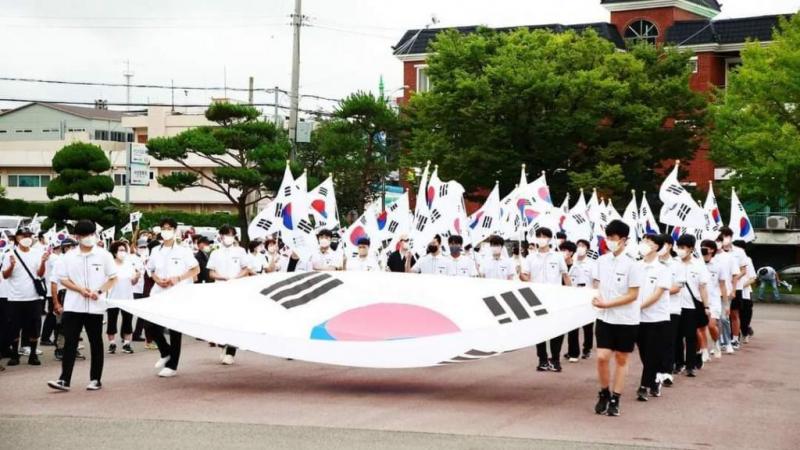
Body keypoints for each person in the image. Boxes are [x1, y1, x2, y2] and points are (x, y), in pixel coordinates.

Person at [47, 220, 117, 391]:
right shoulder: (68, 257)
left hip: (95, 306)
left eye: (91, 234)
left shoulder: (104, 255)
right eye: (85, 235)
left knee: (95, 342)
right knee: (70, 342)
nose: (88, 238)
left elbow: (113, 278)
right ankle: (64, 379)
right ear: (77, 237)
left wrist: (99, 291)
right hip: (73, 305)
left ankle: (95, 379)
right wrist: (80, 290)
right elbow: (63, 279)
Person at [591, 220, 642, 417]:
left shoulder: (633, 264)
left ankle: (616, 398)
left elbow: (633, 295)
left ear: (623, 240)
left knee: (621, 358)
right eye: (608, 237)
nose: (609, 241)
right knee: (602, 357)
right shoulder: (602, 261)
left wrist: (608, 304)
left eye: (613, 238)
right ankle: (604, 392)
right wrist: (595, 298)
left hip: (626, 319)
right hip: (604, 318)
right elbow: (596, 285)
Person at [146, 218, 200, 377]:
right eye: (163, 228)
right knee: (150, 325)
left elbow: (195, 269)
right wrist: (157, 280)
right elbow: (150, 270)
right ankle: (165, 351)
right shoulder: (155, 250)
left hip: (177, 294)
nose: (166, 231)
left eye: (169, 228)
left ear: (175, 231)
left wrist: (178, 278)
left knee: (174, 329)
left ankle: (172, 365)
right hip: (158, 292)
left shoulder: (183, 251)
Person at [521, 227, 570, 372]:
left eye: (544, 236)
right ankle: (542, 360)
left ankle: (555, 360)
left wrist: (571, 293)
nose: (541, 239)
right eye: (539, 236)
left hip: (555, 299)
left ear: (549, 239)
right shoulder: (530, 257)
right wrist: (524, 278)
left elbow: (565, 276)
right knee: (539, 330)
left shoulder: (557, 257)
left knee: (557, 330)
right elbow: (524, 275)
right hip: (536, 299)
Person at [2, 227, 47, 367]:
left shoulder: (37, 253)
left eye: (29, 235)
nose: (27, 238)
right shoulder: (10, 254)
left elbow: (40, 274)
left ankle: (33, 354)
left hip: (33, 297)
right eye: (23, 235)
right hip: (15, 298)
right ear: (17, 238)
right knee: (14, 327)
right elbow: (5, 275)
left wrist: (43, 262)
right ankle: (15, 355)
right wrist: (11, 266)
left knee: (34, 327)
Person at [635, 234, 671, 401]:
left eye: (648, 242)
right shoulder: (636, 266)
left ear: (656, 246)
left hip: (657, 317)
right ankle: (655, 378)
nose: (644, 244)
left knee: (651, 352)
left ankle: (644, 386)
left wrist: (639, 306)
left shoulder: (663, 269)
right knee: (644, 352)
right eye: (643, 241)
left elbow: (657, 294)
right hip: (638, 318)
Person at [207, 225, 249, 365]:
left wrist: (236, 278)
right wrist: (222, 278)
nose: (229, 237)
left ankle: (231, 352)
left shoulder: (240, 251)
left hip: (236, 289)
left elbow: (246, 269)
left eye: (231, 235)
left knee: (234, 320)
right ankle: (223, 345)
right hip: (220, 289)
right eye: (226, 235)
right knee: (220, 320)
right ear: (221, 236)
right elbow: (211, 272)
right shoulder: (215, 253)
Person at [674, 234, 710, 377]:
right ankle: (678, 363)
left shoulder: (698, 265)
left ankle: (690, 365)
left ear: (691, 249)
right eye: (679, 247)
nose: (680, 250)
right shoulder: (673, 263)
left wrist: (706, 307)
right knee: (676, 336)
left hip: (691, 306)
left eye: (683, 247)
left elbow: (702, 288)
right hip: (675, 306)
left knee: (690, 336)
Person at [106, 241, 141, 355]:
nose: (123, 252)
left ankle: (126, 344)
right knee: (112, 322)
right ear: (114, 252)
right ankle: (112, 344)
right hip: (113, 298)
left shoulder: (128, 264)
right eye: (120, 250)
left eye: (124, 250)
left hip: (127, 298)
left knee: (127, 321)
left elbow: (133, 282)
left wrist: (137, 276)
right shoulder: (110, 265)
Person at [566, 239, 596, 361]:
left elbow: (595, 281)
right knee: (572, 326)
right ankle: (573, 352)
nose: (580, 247)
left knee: (587, 326)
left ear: (587, 249)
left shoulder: (592, 264)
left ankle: (587, 348)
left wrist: (595, 294)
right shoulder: (571, 262)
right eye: (578, 245)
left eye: (583, 246)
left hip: (587, 296)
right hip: (573, 295)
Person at [657, 235, 681, 386]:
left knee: (669, 341)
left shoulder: (677, 265)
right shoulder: (652, 263)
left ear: (670, 246)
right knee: (655, 342)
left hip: (672, 309)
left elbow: (677, 287)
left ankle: (667, 371)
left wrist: (659, 292)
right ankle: (656, 370)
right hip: (654, 309)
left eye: (663, 244)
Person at [700, 240, 727, 360]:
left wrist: (726, 304)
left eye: (705, 247)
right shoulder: (697, 263)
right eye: (702, 246)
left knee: (711, 325)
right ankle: (704, 351)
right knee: (700, 328)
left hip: (713, 300)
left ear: (712, 250)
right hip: (699, 300)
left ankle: (716, 343)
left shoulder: (718, 265)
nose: (703, 249)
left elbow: (722, 285)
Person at [734, 241, 757, 343]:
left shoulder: (747, 260)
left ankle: (745, 331)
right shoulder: (729, 259)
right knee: (733, 315)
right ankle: (735, 336)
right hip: (733, 292)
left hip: (745, 293)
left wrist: (740, 286)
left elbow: (753, 278)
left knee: (745, 315)